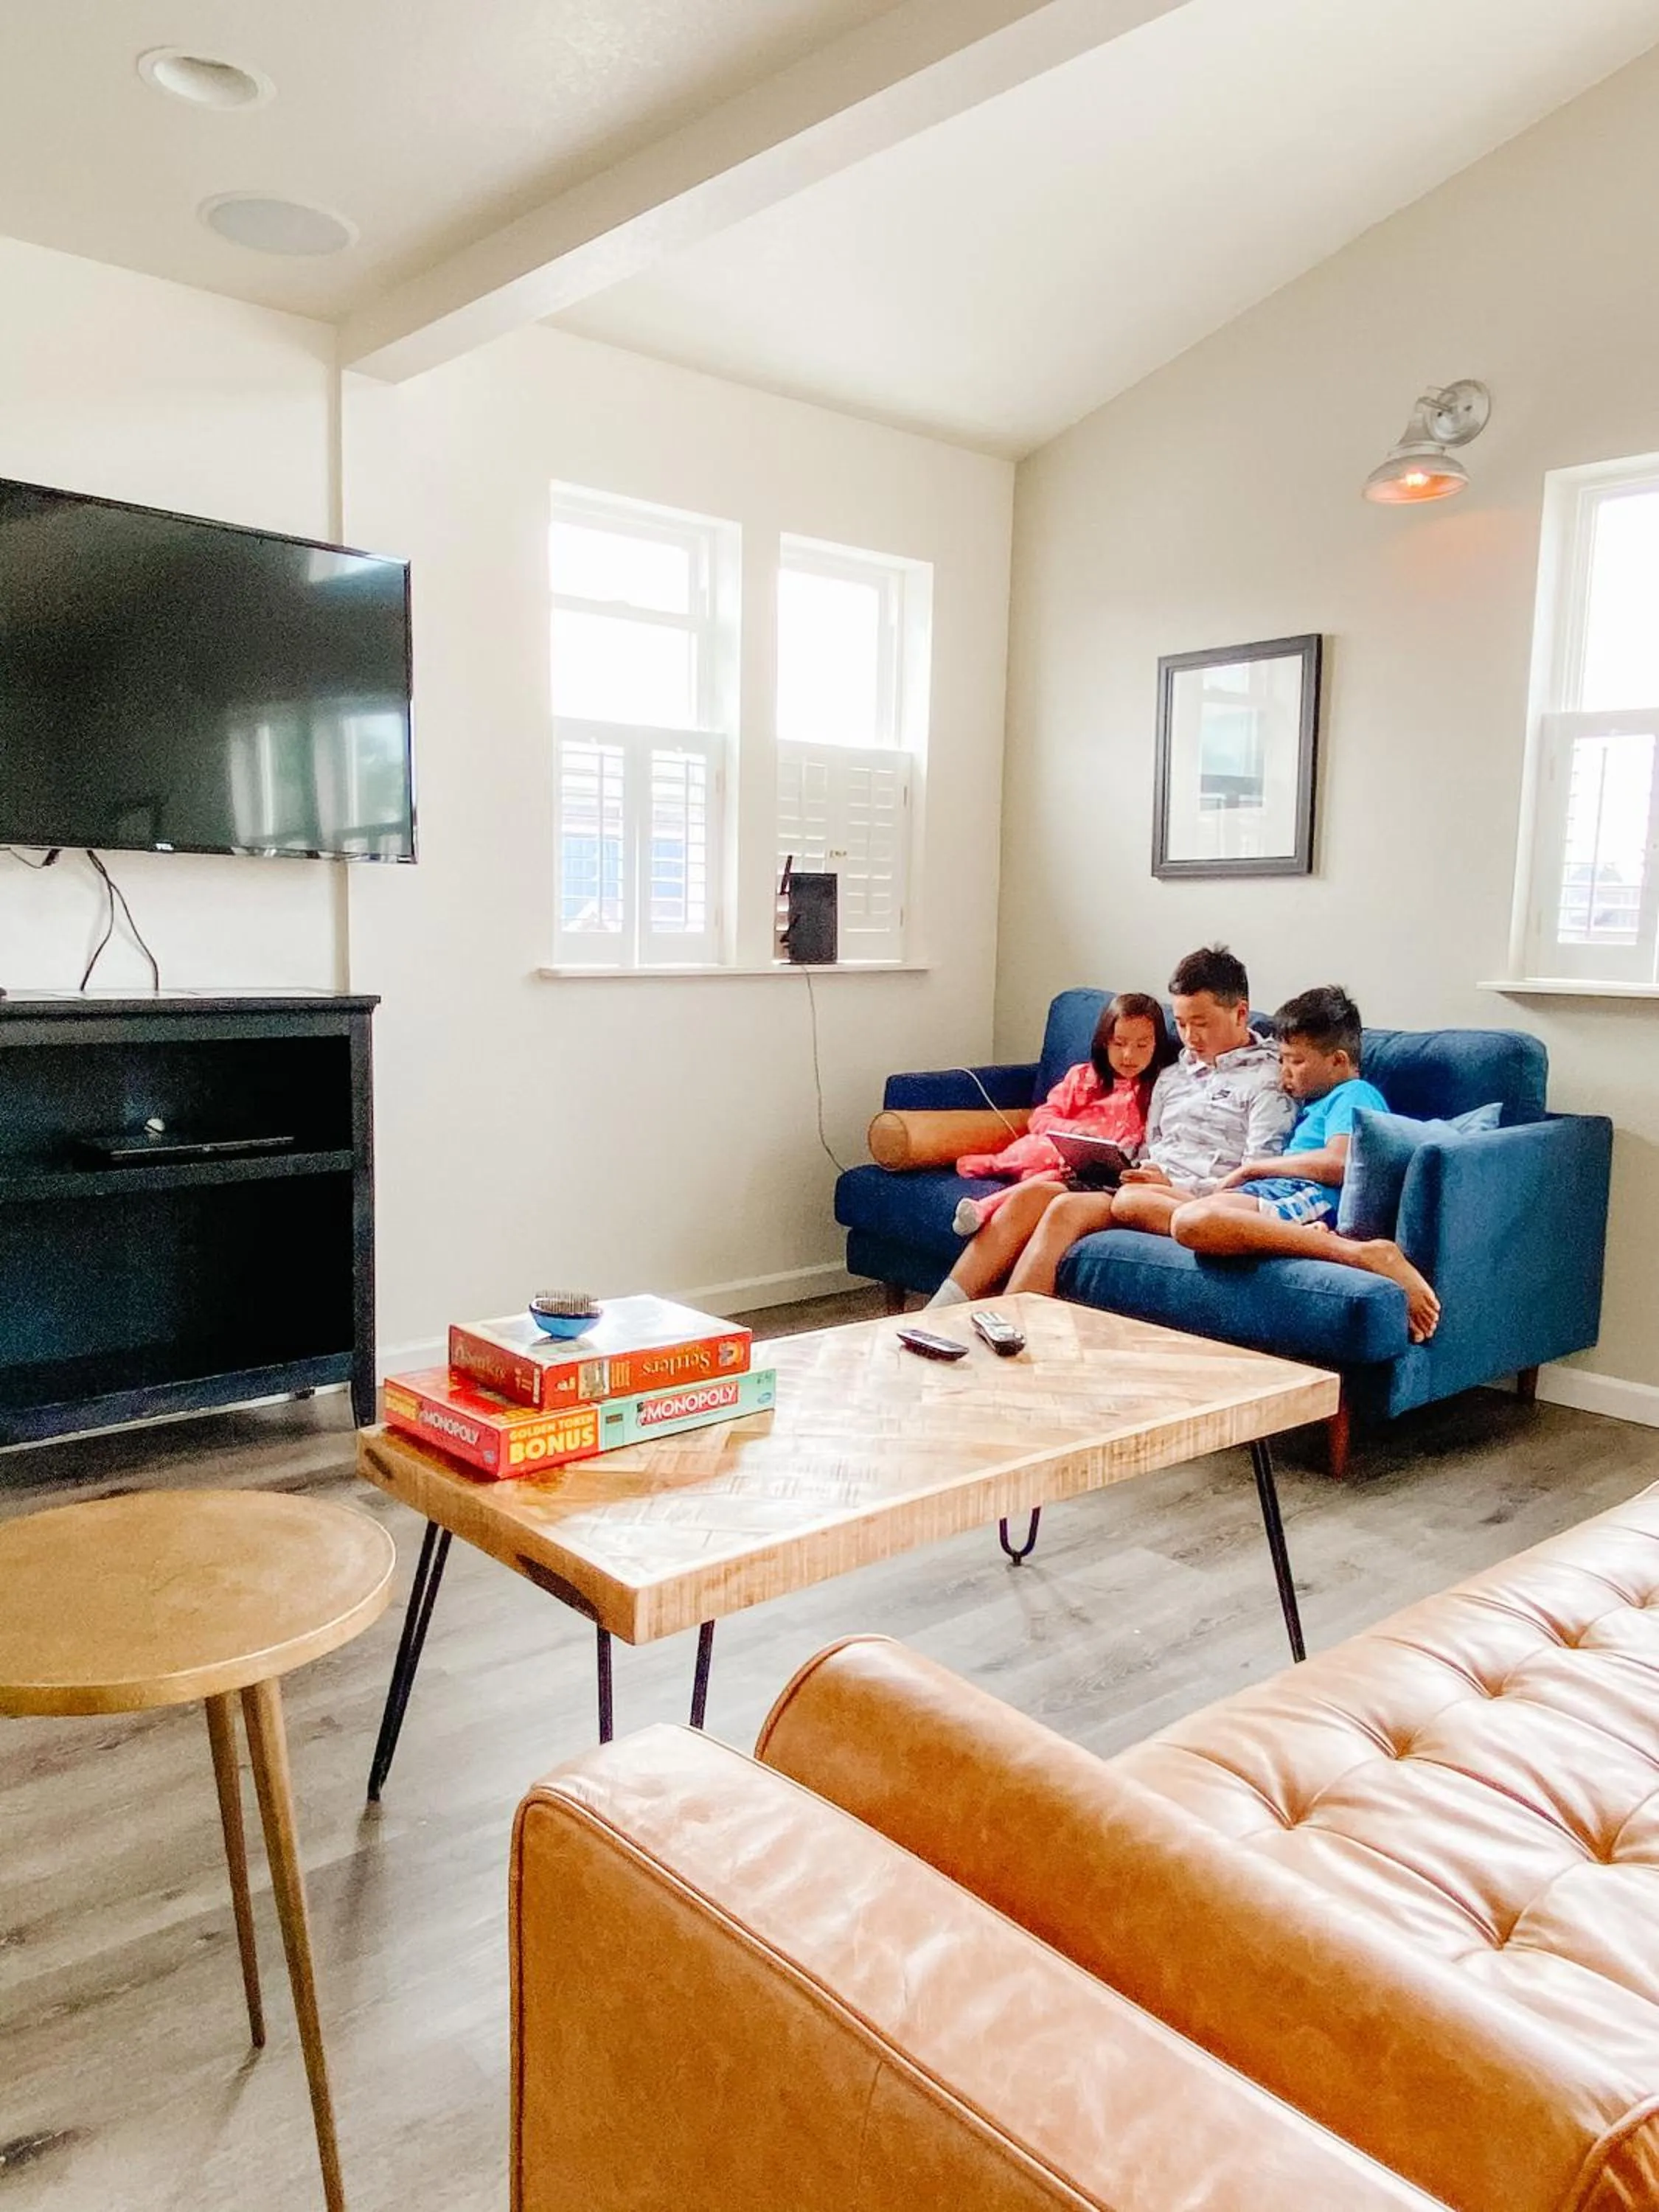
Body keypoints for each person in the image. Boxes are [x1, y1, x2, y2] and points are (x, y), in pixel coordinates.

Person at [1170, 984, 1441, 1342]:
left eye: (1296, 1061)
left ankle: (1366, 1254)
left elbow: (1339, 1162)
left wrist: (1255, 1168)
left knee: (1192, 1221)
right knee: (1135, 1205)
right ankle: (1300, 1238)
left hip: (1308, 1194)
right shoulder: (1317, 1103)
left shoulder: (1354, 1093)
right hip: (1280, 1192)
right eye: (1282, 1060)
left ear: (1338, 1062)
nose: (1285, 1072)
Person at [927, 993, 1175, 1307]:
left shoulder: (1160, 1089)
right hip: (1073, 1168)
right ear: (1103, 1041)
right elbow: (1043, 1116)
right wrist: (1076, 1136)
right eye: (1119, 1043)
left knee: (1049, 1194)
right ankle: (939, 1310)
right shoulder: (1084, 1078)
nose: (1129, 1055)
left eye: (1142, 1045)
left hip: (1119, 1183)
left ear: (1158, 1046)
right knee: (1027, 1198)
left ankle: (1003, 1324)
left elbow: (1159, 1144)